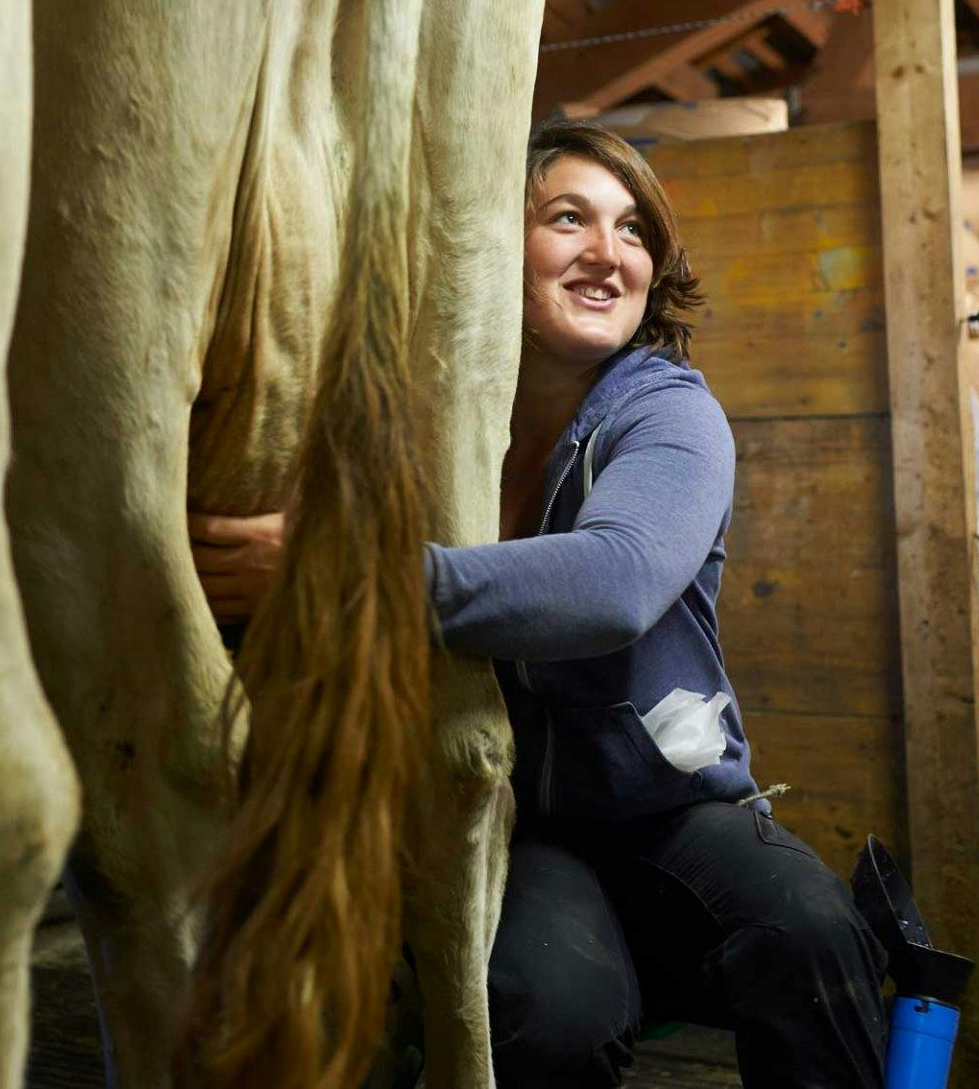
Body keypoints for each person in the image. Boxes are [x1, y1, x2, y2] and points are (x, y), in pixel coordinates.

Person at [188, 120, 888, 1087]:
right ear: (493, 244)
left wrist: (342, 578)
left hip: (669, 807)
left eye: (634, 230)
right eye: (569, 219)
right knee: (544, 1015)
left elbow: (616, 582)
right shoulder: (422, 419)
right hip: (511, 817)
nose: (609, 254)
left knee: (815, 937)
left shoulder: (667, 411)